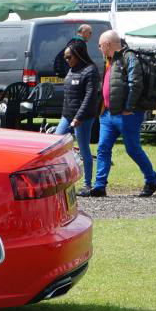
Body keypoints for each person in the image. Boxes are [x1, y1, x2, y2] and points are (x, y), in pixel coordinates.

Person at [90, 30, 156, 197]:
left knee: (133, 149)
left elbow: (135, 83)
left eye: (100, 46)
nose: (99, 49)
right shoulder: (109, 60)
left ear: (107, 44)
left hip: (127, 114)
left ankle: (152, 180)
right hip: (108, 114)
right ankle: (99, 186)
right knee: (103, 148)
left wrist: (129, 107)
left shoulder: (129, 57)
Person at [55, 38, 100, 194]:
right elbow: (57, 65)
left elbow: (90, 96)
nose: (67, 60)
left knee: (83, 149)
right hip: (67, 115)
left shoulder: (90, 70)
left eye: (69, 57)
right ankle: (62, 180)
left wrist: (78, 117)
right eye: (65, 58)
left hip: (83, 117)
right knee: (55, 143)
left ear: (79, 55)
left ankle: (88, 184)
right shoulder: (71, 69)